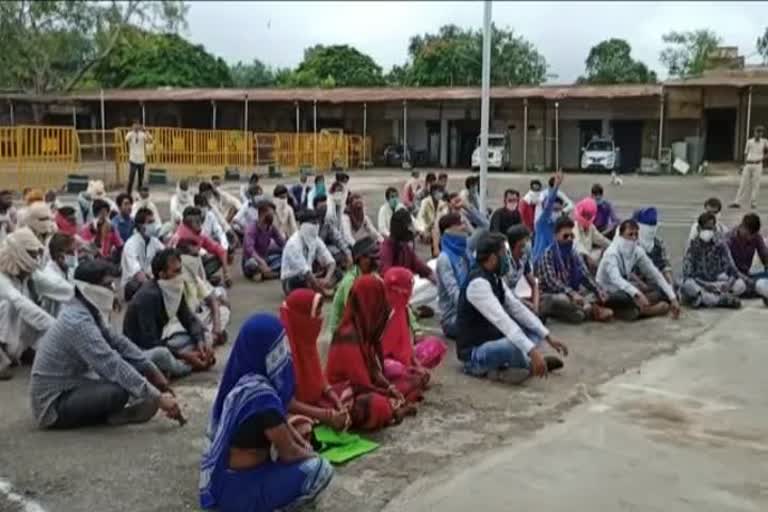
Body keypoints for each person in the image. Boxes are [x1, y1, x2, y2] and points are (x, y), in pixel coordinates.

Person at [199, 313, 333, 512]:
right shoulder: (262, 395)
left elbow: (281, 423)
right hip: (241, 490)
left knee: (299, 429)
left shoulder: (238, 381)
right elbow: (289, 453)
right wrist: (311, 454)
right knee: (320, 469)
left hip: (223, 481)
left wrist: (299, 437)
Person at [30, 259, 181, 429]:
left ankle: (116, 407)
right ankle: (111, 416)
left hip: (76, 383)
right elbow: (111, 363)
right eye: (108, 284)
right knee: (119, 390)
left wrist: (150, 368)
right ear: (89, 287)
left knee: (139, 369)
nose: (112, 290)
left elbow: (118, 342)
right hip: (54, 404)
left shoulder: (87, 310)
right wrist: (157, 397)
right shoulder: (78, 322)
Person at [456, 232, 568, 384]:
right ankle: (526, 365)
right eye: (503, 253)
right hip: (475, 353)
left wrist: (547, 336)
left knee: (532, 331)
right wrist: (533, 351)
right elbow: (503, 321)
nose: (507, 258)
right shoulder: (478, 284)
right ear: (493, 258)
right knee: (513, 344)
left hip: (491, 339)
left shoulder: (494, 278)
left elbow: (517, 308)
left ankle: (510, 367)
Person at [325, 275, 421, 430]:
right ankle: (392, 411)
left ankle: (393, 408)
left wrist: (389, 387)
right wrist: (388, 396)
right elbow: (361, 385)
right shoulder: (347, 335)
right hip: (346, 395)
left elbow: (374, 371)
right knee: (375, 405)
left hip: (365, 387)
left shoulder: (365, 329)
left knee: (410, 382)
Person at [123, 249, 214, 373]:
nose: (181, 274)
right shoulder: (148, 297)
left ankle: (190, 360)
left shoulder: (174, 288)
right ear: (162, 274)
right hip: (142, 349)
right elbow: (150, 342)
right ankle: (189, 366)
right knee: (162, 355)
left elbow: (188, 319)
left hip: (160, 343)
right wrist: (184, 355)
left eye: (180, 269)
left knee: (204, 335)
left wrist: (200, 342)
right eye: (176, 271)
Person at [280, 290, 355, 430]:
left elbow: (320, 379)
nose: (320, 319)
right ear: (300, 318)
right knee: (302, 427)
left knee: (348, 395)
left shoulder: (305, 339)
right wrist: (327, 415)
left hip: (314, 402)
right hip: (293, 408)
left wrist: (337, 402)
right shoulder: (284, 351)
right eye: (316, 314)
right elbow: (287, 401)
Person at [596, 219, 680, 321]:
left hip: (628, 288)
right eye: (630, 235)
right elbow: (616, 279)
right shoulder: (611, 253)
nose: (634, 238)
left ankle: (639, 309)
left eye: (636, 234)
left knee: (664, 289)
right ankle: (645, 310)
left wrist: (673, 298)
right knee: (626, 296)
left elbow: (655, 273)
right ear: (621, 236)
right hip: (608, 291)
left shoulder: (637, 251)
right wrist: (637, 294)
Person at [0, 228, 56, 380]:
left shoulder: (23, 276)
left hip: (17, 336)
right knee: (9, 305)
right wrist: (57, 327)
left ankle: (21, 350)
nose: (35, 259)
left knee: (36, 302)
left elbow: (53, 286)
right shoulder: (2, 279)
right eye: (31, 254)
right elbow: (20, 303)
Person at [535, 217, 613, 323]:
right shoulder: (547, 254)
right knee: (562, 299)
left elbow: (585, 275)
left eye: (572, 236)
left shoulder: (573, 253)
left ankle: (583, 309)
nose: (569, 239)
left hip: (572, 291)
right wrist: (572, 294)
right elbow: (552, 282)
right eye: (565, 236)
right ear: (555, 236)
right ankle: (589, 309)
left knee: (600, 292)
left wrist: (598, 291)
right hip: (552, 293)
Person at [381, 267, 447, 382]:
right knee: (396, 370)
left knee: (436, 345)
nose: (409, 293)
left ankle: (411, 374)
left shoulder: (402, 308)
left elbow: (407, 348)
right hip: (383, 361)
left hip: (404, 358)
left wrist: (417, 366)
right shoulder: (380, 310)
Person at [680, 212, 746, 309]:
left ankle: (712, 298)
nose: (708, 231)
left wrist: (729, 284)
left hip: (718, 283)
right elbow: (688, 274)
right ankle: (721, 299)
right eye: (705, 228)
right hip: (701, 283)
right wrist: (706, 285)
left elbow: (732, 270)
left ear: (714, 229)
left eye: (710, 228)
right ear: (699, 229)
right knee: (687, 285)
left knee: (740, 285)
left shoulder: (720, 244)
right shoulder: (692, 246)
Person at [176, 239, 230, 347]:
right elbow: (185, 317)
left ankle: (209, 338)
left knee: (223, 310)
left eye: (197, 256)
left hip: (198, 318)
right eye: (193, 256)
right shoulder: (176, 280)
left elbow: (212, 300)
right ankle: (207, 341)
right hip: (182, 324)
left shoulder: (194, 277)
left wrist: (217, 327)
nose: (196, 259)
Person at [328, 237, 379, 335]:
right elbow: (354, 312)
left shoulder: (373, 275)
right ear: (360, 259)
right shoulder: (350, 281)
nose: (374, 261)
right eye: (370, 258)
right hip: (343, 332)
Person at [170, 206, 232, 287]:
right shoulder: (179, 237)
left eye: (200, 220)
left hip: (194, 267)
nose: (199, 223)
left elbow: (220, 250)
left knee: (221, 255)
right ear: (187, 222)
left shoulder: (199, 234)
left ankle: (204, 279)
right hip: (180, 272)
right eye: (195, 221)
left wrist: (226, 273)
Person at [280, 209, 336, 296]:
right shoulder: (293, 243)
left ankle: (317, 288)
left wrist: (326, 279)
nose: (315, 226)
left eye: (316, 223)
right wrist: (322, 291)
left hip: (310, 276)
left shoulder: (315, 239)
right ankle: (317, 289)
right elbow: (306, 273)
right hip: (292, 279)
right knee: (300, 280)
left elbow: (331, 262)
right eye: (312, 223)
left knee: (337, 273)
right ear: (302, 225)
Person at [435, 213, 470, 338]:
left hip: (468, 311)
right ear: (449, 231)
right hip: (452, 319)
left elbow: (484, 230)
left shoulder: (464, 252)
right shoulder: (445, 259)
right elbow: (455, 295)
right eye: (459, 224)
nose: (463, 227)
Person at [121, 207, 165, 301]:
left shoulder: (154, 241)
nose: (153, 225)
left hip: (148, 279)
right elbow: (138, 274)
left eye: (153, 222)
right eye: (149, 222)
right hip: (133, 284)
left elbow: (166, 255)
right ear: (140, 226)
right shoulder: (131, 244)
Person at [381, 208, 434, 282]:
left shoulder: (405, 247)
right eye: (408, 226)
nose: (410, 229)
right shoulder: (387, 248)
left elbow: (420, 266)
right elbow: (387, 275)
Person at [726, 213, 768, 302]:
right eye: (748, 234)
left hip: (747, 275)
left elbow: (764, 255)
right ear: (742, 227)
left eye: (753, 235)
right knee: (740, 286)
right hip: (732, 277)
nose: (750, 238)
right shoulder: (729, 239)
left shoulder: (756, 237)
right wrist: (747, 280)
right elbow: (729, 266)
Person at [242, 200, 285, 281]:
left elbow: (281, 242)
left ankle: (265, 273)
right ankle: (266, 272)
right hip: (252, 260)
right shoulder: (251, 229)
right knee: (251, 264)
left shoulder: (271, 227)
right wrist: (261, 262)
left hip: (266, 258)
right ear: (262, 213)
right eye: (270, 213)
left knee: (284, 256)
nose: (272, 216)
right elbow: (249, 250)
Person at [36, 233, 76, 318]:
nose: (73, 255)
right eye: (69, 252)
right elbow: (71, 294)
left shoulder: (68, 269)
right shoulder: (49, 276)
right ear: (58, 255)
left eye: (73, 251)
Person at [632, 207, 673, 286]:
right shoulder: (629, 244)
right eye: (648, 226)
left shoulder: (658, 243)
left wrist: (670, 284)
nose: (651, 230)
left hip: (653, 281)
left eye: (652, 227)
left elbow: (664, 265)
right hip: (634, 282)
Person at [730, 125, 768, 209]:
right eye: (757, 132)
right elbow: (746, 153)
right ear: (754, 132)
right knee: (743, 183)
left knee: (755, 184)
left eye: (760, 132)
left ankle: (753, 202)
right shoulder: (749, 141)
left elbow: (766, 152)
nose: (758, 134)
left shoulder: (764, 142)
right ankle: (737, 202)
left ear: (762, 133)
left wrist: (763, 157)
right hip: (748, 164)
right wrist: (743, 165)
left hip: (758, 164)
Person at [531, 170, 564, 263]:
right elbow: (549, 204)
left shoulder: (559, 227)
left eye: (558, 210)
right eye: (554, 210)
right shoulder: (542, 222)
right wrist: (556, 186)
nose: (556, 212)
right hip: (539, 263)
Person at [505, 225, 540, 313]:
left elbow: (534, 284)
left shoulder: (523, 258)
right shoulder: (504, 262)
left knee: (545, 300)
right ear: (516, 244)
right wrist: (527, 304)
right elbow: (505, 292)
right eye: (525, 241)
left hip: (516, 298)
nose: (528, 244)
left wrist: (535, 306)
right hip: (505, 300)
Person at [572, 197, 610, 271]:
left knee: (606, 251)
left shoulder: (591, 227)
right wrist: (587, 256)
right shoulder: (575, 227)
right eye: (585, 214)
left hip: (590, 257)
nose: (587, 217)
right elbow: (577, 245)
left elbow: (601, 239)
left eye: (589, 215)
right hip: (578, 260)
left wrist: (614, 246)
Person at [314, 195, 352, 270]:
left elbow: (338, 238)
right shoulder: (310, 223)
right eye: (321, 208)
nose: (323, 210)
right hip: (312, 253)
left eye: (325, 207)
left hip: (324, 250)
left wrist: (348, 253)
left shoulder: (327, 223)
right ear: (315, 208)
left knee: (341, 251)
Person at [125, 122, 153, 194]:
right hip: (133, 159)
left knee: (141, 178)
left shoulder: (142, 134)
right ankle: (128, 192)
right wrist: (132, 131)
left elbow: (150, 139)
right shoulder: (130, 134)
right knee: (131, 177)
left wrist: (145, 130)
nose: (136, 127)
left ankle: (140, 191)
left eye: (138, 125)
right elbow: (126, 139)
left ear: (140, 126)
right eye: (135, 125)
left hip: (141, 159)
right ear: (133, 126)